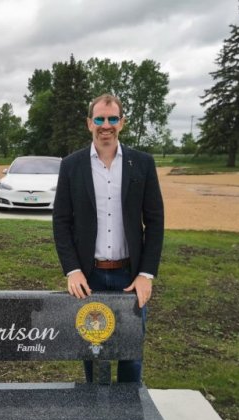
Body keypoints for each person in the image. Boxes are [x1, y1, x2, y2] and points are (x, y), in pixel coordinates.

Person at [53, 93, 164, 383]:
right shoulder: (72, 165)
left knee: (131, 356)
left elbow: (155, 221)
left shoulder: (142, 164)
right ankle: (95, 406)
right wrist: (72, 270)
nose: (106, 125)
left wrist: (146, 274)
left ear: (122, 122)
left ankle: (129, 408)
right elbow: (61, 222)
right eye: (100, 119)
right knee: (92, 349)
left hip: (131, 277)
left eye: (112, 118)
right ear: (89, 123)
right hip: (89, 278)